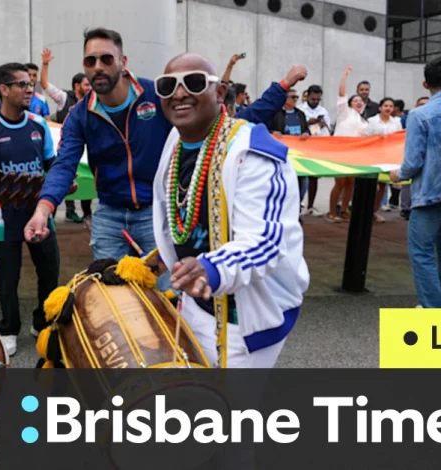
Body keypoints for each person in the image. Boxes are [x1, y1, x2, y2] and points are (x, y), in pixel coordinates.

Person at [25, 27, 293, 265]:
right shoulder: (79, 115)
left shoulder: (157, 94)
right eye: (90, 61)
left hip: (158, 210)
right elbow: (64, 165)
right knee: (110, 293)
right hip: (109, 214)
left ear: (122, 62)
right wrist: (43, 210)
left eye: (106, 59)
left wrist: (280, 89)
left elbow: (216, 122)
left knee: (167, 294)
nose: (98, 67)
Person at [151, 53, 308, 368]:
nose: (179, 93)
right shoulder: (175, 141)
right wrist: (156, 261)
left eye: (194, 83)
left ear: (220, 92)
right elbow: (186, 219)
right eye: (168, 86)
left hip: (246, 319)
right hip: (195, 302)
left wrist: (210, 269)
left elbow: (264, 243)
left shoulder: (254, 152)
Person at [0, 62, 64, 356]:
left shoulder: (39, 124)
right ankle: (8, 329)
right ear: (4, 90)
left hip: (40, 216)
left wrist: (61, 182)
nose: (30, 89)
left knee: (49, 272)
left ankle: (42, 323)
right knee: (8, 278)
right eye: (22, 84)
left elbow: (51, 163)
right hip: (3, 219)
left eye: (31, 84)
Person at [390, 56, 441, 308]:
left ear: (425, 84)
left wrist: (398, 174)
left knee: (422, 253)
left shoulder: (419, 115)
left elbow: (413, 162)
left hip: (430, 195)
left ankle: (436, 310)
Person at [38, 47, 92, 226]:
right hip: (67, 146)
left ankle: (87, 212)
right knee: (65, 176)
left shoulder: (93, 101)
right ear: (77, 86)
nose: (89, 88)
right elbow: (44, 84)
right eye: (86, 85)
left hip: (86, 146)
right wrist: (45, 64)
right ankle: (64, 212)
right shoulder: (63, 98)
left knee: (86, 178)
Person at [327, 66, 368, 223]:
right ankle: (332, 212)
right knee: (340, 182)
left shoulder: (363, 121)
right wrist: (345, 75)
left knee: (351, 182)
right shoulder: (345, 113)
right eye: (355, 100)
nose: (359, 102)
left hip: (354, 154)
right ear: (350, 104)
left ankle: (344, 210)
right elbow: (342, 94)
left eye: (361, 101)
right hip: (340, 151)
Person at [366, 97, 402, 223]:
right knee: (371, 184)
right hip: (373, 156)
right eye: (386, 106)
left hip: (388, 156)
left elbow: (399, 139)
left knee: (382, 184)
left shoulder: (396, 122)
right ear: (380, 107)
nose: (388, 108)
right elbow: (367, 138)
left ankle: (374, 211)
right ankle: (364, 210)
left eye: (391, 106)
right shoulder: (372, 121)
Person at [299, 84, 330, 217]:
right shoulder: (300, 110)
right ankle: (298, 204)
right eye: (313, 99)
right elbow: (298, 126)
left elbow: (327, 130)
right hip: (302, 146)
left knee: (314, 177)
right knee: (300, 177)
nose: (316, 102)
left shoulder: (323, 111)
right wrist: (308, 123)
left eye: (318, 99)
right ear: (307, 97)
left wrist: (323, 125)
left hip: (316, 146)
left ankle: (310, 206)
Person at [400, 96, 430, 220]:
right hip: (412, 157)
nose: (423, 107)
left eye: (426, 104)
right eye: (421, 104)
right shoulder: (412, 118)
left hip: (430, 164)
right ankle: (406, 208)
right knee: (407, 185)